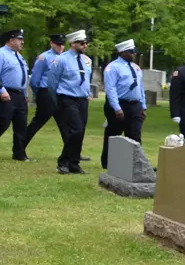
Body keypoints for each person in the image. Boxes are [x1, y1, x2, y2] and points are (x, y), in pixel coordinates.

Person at [45, 30, 92, 174]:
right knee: (76, 129)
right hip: (68, 98)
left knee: (80, 131)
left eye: (86, 43)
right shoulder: (61, 60)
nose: (85, 45)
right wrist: (58, 100)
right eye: (82, 43)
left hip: (82, 100)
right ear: (73, 44)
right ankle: (63, 161)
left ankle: (74, 163)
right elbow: (52, 83)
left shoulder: (86, 60)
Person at [101, 39, 147, 169]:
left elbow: (140, 87)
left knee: (135, 135)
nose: (134, 55)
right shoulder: (113, 68)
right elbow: (110, 89)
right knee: (113, 133)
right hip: (119, 104)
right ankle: (108, 162)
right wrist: (116, 108)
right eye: (131, 52)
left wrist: (143, 106)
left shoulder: (136, 68)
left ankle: (137, 163)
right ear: (123, 52)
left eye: (134, 52)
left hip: (135, 104)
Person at [22, 34, 66, 160]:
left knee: (65, 123)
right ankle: (21, 146)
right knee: (39, 121)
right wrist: (40, 94)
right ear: (52, 43)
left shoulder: (64, 57)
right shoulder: (44, 57)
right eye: (58, 44)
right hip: (46, 92)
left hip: (60, 93)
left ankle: (72, 151)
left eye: (62, 44)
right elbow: (35, 79)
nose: (61, 47)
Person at [0, 28, 30, 161]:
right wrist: (1, 90)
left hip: (20, 95)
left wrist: (25, 93)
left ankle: (19, 153)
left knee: (21, 125)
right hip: (7, 93)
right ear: (11, 40)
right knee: (3, 122)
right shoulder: (2, 54)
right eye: (20, 39)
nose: (22, 42)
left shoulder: (19, 56)